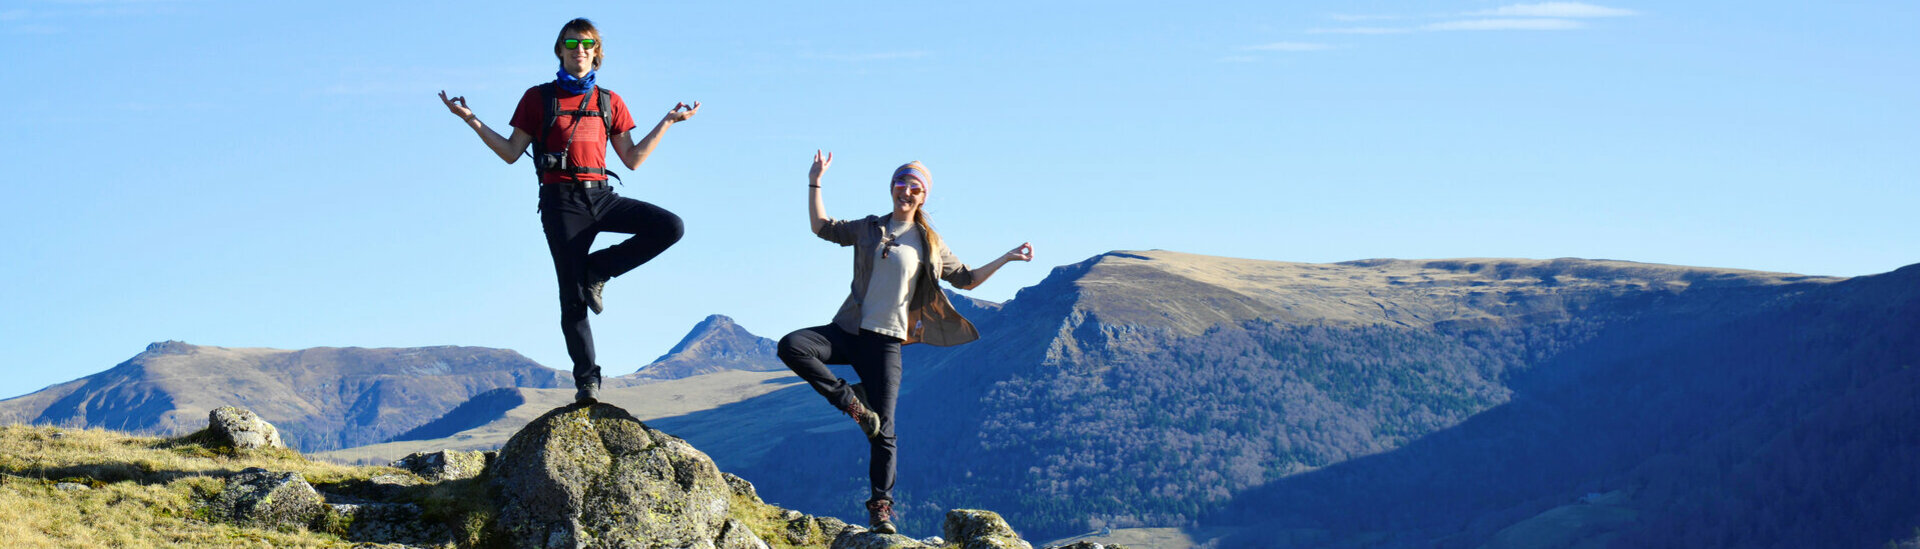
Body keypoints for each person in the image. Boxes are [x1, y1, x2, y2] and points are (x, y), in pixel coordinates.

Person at [438, 18, 698, 403]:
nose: (580, 48)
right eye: (572, 42)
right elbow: (511, 152)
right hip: (561, 204)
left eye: (588, 43)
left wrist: (667, 123)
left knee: (670, 227)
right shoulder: (538, 98)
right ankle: (587, 382)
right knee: (572, 297)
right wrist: (471, 120)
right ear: (560, 49)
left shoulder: (609, 101)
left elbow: (632, 158)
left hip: (603, 196)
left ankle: (599, 269)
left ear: (597, 53)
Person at [776, 151, 1034, 534]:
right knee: (793, 345)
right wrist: (815, 181)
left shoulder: (929, 243)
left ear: (923, 197)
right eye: (902, 184)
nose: (907, 192)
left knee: (886, 432)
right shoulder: (868, 227)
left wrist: (1007, 258)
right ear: (892, 188)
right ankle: (852, 402)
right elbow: (822, 227)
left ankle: (880, 509)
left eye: (916, 188)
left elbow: (966, 279)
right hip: (850, 331)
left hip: (888, 343)